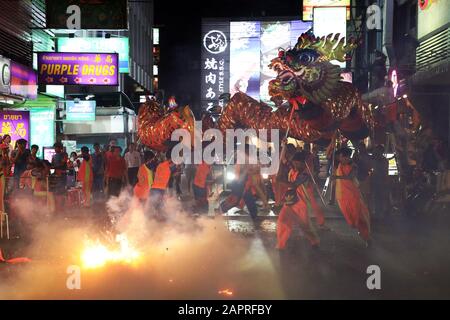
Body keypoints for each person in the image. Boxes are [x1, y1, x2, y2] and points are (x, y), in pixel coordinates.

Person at [276, 151, 320, 250]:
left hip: (301, 204)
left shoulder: (305, 174)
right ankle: (281, 244)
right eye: (294, 162)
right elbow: (283, 160)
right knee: (282, 220)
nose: (295, 164)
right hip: (290, 201)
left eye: (297, 163)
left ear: (303, 163)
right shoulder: (293, 170)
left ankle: (314, 240)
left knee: (304, 226)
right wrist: (284, 147)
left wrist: (280, 181)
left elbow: (293, 185)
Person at [332, 147, 371, 246]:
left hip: (353, 195)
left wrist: (337, 177)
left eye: (339, 156)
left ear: (344, 156)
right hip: (342, 196)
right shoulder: (340, 165)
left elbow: (350, 177)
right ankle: (361, 231)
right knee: (351, 219)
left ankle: (366, 237)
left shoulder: (353, 166)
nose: (338, 158)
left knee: (359, 217)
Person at [303, 143, 327, 229]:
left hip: (309, 182)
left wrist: (314, 175)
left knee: (313, 203)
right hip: (301, 183)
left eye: (307, 148)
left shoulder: (312, 157)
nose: (306, 149)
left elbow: (316, 168)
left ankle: (321, 223)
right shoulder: (301, 157)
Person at [370, 145, 389, 217]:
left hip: (380, 181)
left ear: (380, 151)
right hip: (376, 181)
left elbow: (384, 172)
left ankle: (380, 213)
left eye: (377, 150)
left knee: (379, 197)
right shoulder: (378, 159)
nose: (376, 152)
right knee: (376, 197)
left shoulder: (382, 160)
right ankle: (378, 212)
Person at [51, 142, 68, 211]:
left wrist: (55, 167)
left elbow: (63, 162)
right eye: (55, 148)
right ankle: (57, 207)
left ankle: (62, 207)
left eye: (56, 147)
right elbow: (52, 164)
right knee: (56, 191)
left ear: (60, 148)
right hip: (56, 176)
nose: (55, 149)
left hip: (62, 175)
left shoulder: (64, 154)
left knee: (61, 191)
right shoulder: (54, 156)